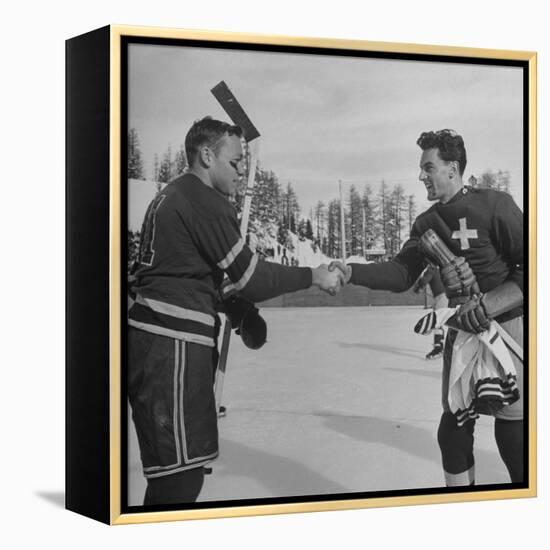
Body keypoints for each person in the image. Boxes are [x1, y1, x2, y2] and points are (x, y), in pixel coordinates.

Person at [128, 116, 344, 506]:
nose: (242, 169)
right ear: (206, 155)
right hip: (170, 350)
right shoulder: (201, 200)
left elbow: (186, 270)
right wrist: (313, 275)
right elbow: (254, 277)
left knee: (179, 475)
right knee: (177, 483)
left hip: (164, 346)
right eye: (235, 161)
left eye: (244, 161)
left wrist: (236, 307)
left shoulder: (175, 194)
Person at [331, 129, 524, 487]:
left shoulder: (496, 205)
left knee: (513, 434)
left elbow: (532, 265)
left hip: (508, 330)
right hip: (462, 331)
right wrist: (353, 270)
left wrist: (490, 305)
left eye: (428, 167)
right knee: (452, 430)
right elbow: (402, 273)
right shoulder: (427, 223)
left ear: (452, 168)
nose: (421, 175)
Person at [412, 265, 448, 360]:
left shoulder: (432, 268)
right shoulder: (442, 267)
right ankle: (440, 346)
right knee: (440, 321)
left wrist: (418, 287)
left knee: (437, 323)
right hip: (444, 296)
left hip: (442, 297)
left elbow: (424, 280)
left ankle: (438, 348)